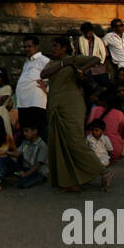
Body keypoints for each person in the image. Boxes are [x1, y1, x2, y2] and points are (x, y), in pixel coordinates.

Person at [39, 37, 107, 192]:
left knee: (75, 142)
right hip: (56, 105)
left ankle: (104, 171)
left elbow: (97, 58)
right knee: (59, 143)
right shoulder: (52, 63)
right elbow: (43, 74)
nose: (53, 49)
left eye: (56, 46)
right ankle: (70, 181)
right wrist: (64, 64)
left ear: (64, 48)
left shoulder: (75, 59)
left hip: (72, 105)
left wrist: (81, 69)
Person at [15, 35, 50, 138]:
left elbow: (52, 79)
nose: (26, 49)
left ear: (36, 47)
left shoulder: (44, 60)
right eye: (25, 47)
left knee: (38, 133)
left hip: (36, 103)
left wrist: (46, 89)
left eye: (29, 46)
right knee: (26, 134)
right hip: (23, 103)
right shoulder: (27, 62)